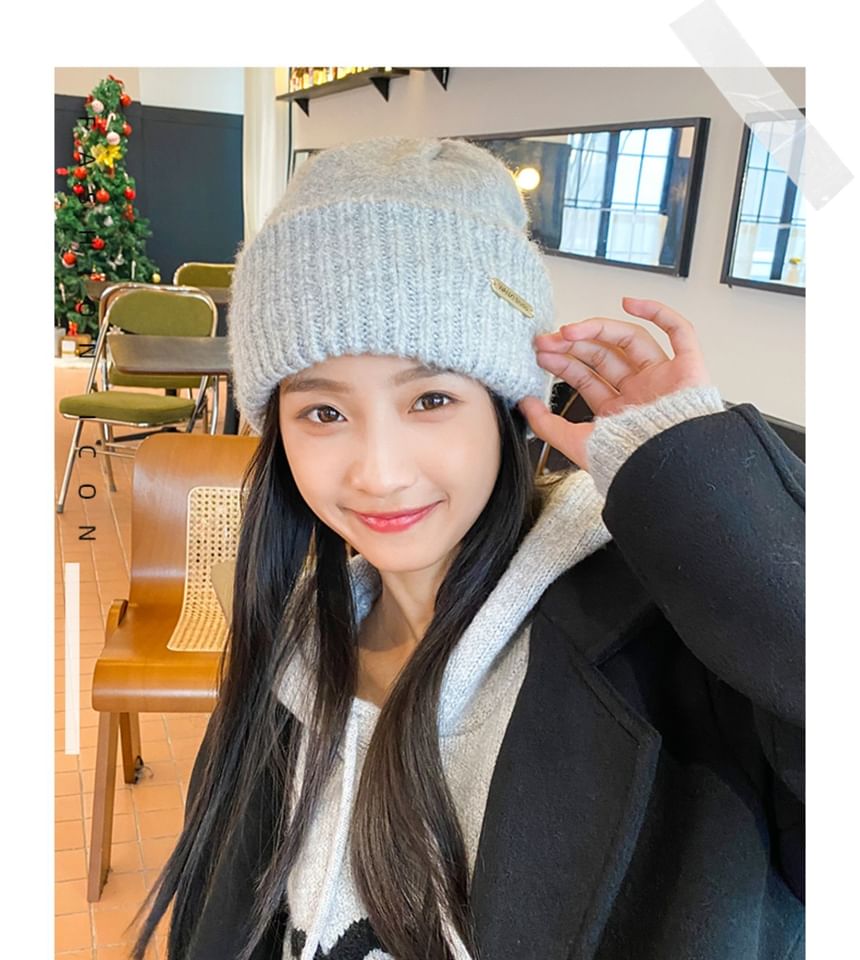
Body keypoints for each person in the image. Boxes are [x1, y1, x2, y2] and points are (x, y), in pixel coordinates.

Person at [129, 136, 804, 960]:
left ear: (507, 405)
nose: (379, 474)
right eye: (324, 413)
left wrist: (697, 476)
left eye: (431, 400)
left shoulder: (666, 657)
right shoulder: (296, 643)